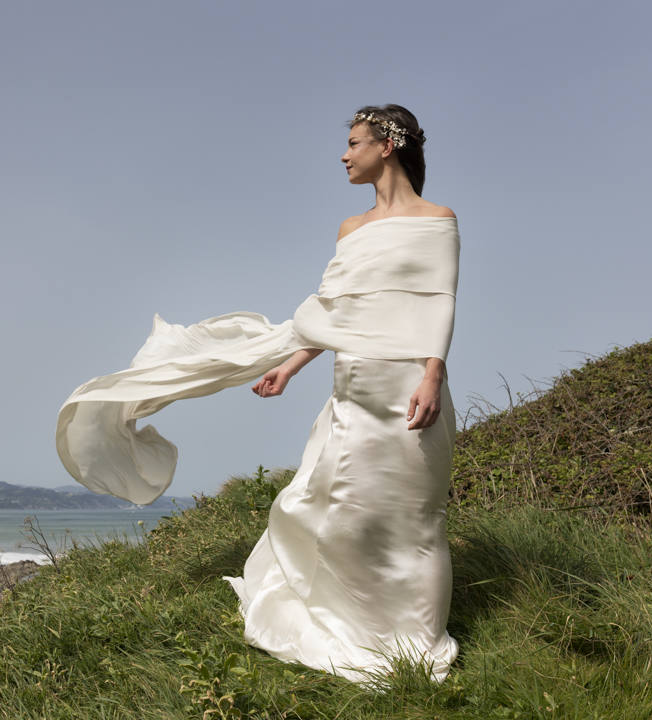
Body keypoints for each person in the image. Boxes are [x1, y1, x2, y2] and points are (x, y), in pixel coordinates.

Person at [56, 103, 460, 684]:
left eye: (353, 143)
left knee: (416, 519)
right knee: (340, 511)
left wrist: (432, 374)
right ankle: (355, 628)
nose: (344, 155)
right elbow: (334, 315)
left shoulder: (438, 219)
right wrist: (292, 367)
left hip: (413, 387)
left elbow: (439, 301)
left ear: (387, 145)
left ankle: (418, 644)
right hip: (355, 388)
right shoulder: (351, 230)